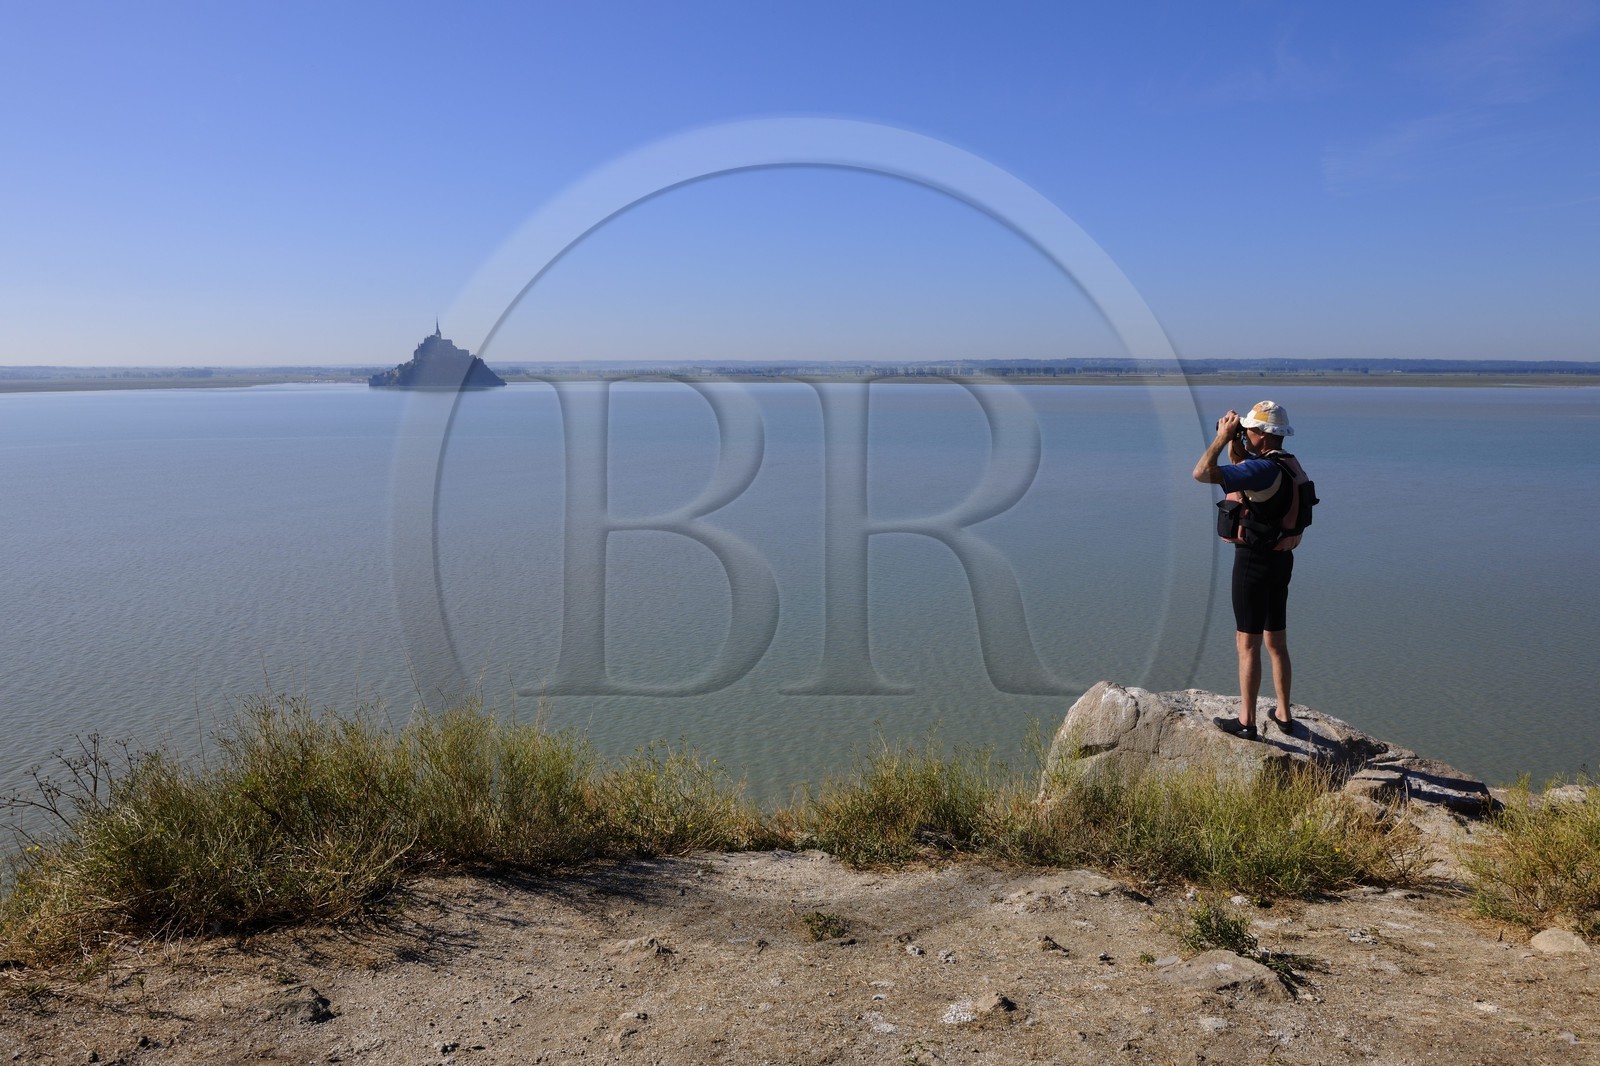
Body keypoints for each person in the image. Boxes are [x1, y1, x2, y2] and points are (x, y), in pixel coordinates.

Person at [1191, 400, 1302, 741]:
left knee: (1247, 643)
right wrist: (1238, 445)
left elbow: (1201, 472)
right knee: (1276, 640)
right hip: (1281, 560)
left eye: (1250, 430)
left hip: (1253, 563)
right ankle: (1284, 714)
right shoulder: (1285, 463)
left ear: (1264, 436)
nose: (1245, 434)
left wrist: (1222, 439)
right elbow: (1244, 470)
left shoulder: (1261, 470)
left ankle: (1246, 722)